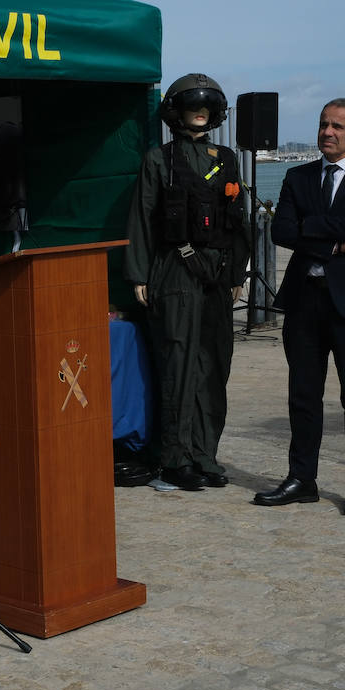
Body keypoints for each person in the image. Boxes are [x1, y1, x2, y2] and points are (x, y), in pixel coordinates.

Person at [255, 98, 345, 516]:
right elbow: (281, 230)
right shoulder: (298, 177)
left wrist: (309, 227)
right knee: (302, 395)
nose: (327, 133)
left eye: (336, 126)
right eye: (322, 125)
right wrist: (335, 239)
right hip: (305, 301)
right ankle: (302, 479)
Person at [124, 73, 249, 491]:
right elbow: (142, 218)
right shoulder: (159, 160)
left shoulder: (226, 159)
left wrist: (238, 272)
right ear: (176, 112)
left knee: (215, 363)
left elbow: (238, 221)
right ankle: (174, 457)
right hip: (174, 270)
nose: (200, 114)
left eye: (206, 107)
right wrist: (139, 272)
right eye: (193, 106)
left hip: (217, 273)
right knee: (177, 362)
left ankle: (204, 454)